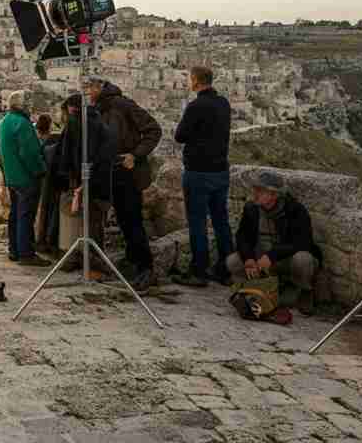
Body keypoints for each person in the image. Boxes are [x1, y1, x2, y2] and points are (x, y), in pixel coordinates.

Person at [84, 78, 163, 287]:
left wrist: (134, 155)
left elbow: (153, 129)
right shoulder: (98, 109)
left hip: (128, 171)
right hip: (110, 171)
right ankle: (131, 262)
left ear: (99, 88)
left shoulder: (122, 104)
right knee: (124, 219)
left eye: (90, 88)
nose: (87, 92)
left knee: (132, 221)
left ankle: (145, 269)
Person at [228, 171, 322, 315]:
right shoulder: (251, 208)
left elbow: (303, 242)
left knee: (303, 259)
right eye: (255, 189)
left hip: (285, 259)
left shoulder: (295, 210)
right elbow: (242, 236)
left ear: (274, 195)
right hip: (260, 260)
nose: (255, 193)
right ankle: (255, 289)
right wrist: (248, 258)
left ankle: (304, 291)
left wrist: (272, 256)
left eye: (260, 190)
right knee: (233, 261)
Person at [172, 65, 234, 287]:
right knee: (221, 221)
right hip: (221, 171)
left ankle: (199, 271)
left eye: (190, 79)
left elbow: (180, 136)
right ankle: (226, 270)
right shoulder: (223, 103)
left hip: (198, 172)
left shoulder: (196, 106)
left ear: (196, 81)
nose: (189, 82)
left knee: (197, 223)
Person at [53, 95, 117, 275]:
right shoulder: (101, 122)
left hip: (80, 178)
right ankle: (94, 258)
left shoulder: (75, 123)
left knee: (75, 219)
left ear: (72, 109)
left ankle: (76, 258)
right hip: (99, 179)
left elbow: (65, 154)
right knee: (94, 221)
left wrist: (68, 179)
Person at [0, 91, 48, 266]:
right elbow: (29, 153)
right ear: (22, 105)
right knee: (26, 216)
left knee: (15, 214)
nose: (31, 106)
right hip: (26, 177)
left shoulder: (5, 122)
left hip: (12, 176)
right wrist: (40, 170)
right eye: (29, 102)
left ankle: (14, 250)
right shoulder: (22, 123)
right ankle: (26, 253)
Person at [33, 114, 61, 256]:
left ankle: (41, 240)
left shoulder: (35, 139)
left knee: (43, 210)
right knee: (50, 210)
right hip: (52, 178)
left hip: (43, 178)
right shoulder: (55, 140)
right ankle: (48, 241)